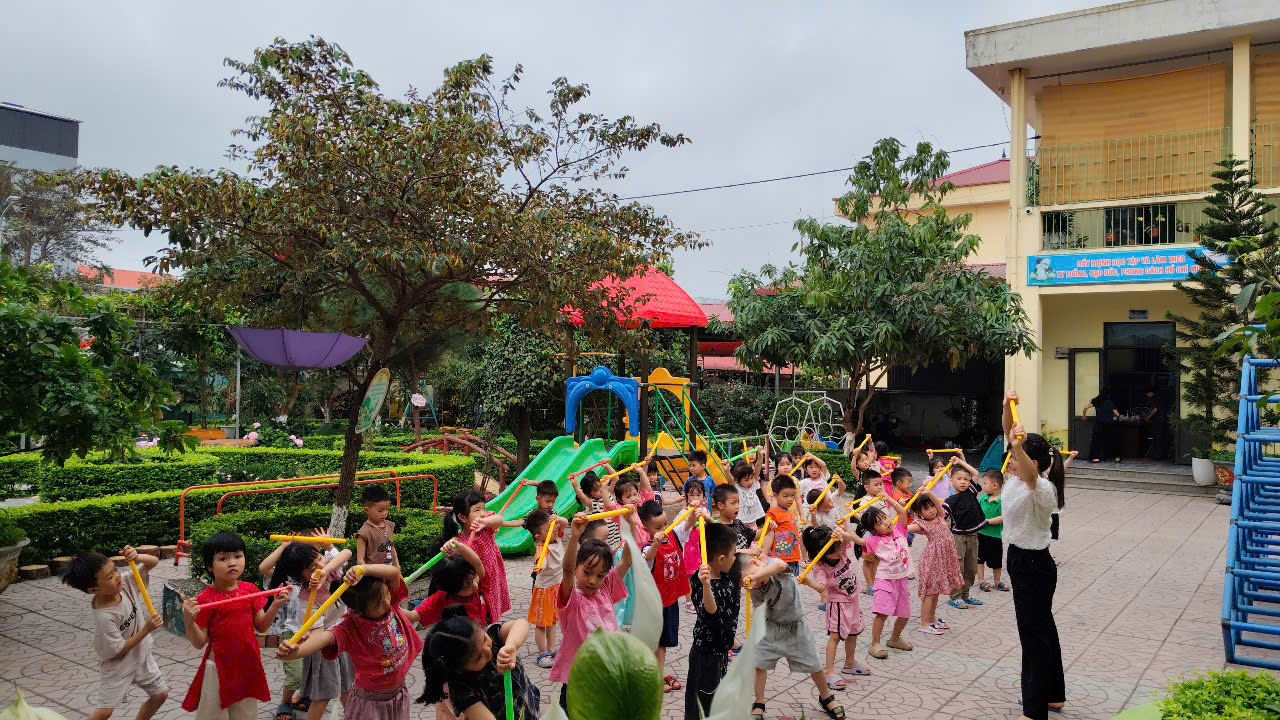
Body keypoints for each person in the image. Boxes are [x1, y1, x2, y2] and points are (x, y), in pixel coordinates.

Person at [276, 564, 422, 720]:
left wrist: (364, 569)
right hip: (370, 702)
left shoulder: (389, 603)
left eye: (387, 594)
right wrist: (297, 651)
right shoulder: (351, 626)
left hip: (398, 693)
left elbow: (393, 573)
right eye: (377, 604)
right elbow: (325, 638)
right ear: (360, 609)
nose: (386, 603)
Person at [1003, 391, 1068, 720]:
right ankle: (1054, 695)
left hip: (1033, 565)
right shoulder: (1016, 479)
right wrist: (1006, 407)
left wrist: (1019, 446)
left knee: (1033, 635)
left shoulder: (1041, 488)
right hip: (1021, 561)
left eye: (1016, 456)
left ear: (1035, 463)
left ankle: (1034, 709)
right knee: (1043, 630)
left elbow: (1028, 472)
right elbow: (1008, 433)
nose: (1011, 460)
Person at [181, 531, 288, 720]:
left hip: (247, 664)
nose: (232, 563)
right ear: (209, 566)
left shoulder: (249, 589)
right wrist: (189, 622)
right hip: (218, 668)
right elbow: (199, 642)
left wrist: (275, 605)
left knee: (245, 715)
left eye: (238, 556)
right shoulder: (206, 598)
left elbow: (261, 626)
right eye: (223, 558)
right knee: (214, 716)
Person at [63, 546, 168, 720]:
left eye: (115, 569)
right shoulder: (104, 616)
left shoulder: (124, 583)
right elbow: (119, 649)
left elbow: (153, 562)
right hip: (118, 665)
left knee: (160, 695)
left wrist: (137, 556)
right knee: (104, 712)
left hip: (140, 656)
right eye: (110, 577)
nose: (117, 576)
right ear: (93, 590)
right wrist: (146, 629)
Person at [262, 539, 354, 720]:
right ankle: (288, 702)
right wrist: (296, 652)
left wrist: (325, 570)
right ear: (300, 577)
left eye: (319, 558)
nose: (320, 565)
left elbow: (347, 553)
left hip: (344, 639)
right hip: (325, 647)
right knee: (323, 693)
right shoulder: (306, 600)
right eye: (312, 568)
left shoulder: (332, 572)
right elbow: (318, 634)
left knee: (348, 687)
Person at [745, 556, 846, 720]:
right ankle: (759, 701)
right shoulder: (755, 587)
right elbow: (759, 607)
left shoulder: (775, 567)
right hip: (771, 629)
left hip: (797, 628)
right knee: (759, 664)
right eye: (749, 582)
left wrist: (755, 576)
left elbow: (779, 565)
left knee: (814, 664)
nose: (754, 583)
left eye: (753, 577)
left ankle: (826, 697)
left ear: (755, 563)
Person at [551, 511, 633, 711]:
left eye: (600, 575)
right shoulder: (572, 599)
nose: (592, 580)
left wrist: (631, 525)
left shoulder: (605, 588)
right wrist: (574, 537)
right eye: (587, 572)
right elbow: (567, 569)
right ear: (577, 567)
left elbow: (626, 561)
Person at [417, 607, 540, 720]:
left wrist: (511, 645)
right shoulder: (461, 689)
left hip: (529, 709)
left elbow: (521, 624)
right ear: (460, 668)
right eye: (479, 656)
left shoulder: (494, 637)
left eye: (485, 638)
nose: (487, 649)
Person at [799, 525, 869, 691]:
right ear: (821, 553)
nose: (839, 552)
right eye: (833, 551)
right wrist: (808, 582)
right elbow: (821, 587)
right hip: (838, 605)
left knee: (853, 632)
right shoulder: (820, 566)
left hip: (853, 599)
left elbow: (849, 537)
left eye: (838, 547)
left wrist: (841, 533)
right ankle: (829, 672)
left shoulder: (840, 547)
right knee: (835, 637)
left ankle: (850, 663)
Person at [684, 523, 742, 720]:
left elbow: (724, 540)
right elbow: (711, 612)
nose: (736, 558)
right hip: (705, 655)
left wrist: (707, 517)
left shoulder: (727, 574)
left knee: (718, 698)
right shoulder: (700, 582)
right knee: (702, 702)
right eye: (733, 554)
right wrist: (707, 586)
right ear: (721, 559)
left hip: (721, 651)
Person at [443, 490, 522, 619]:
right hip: (478, 581)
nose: (483, 513)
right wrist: (451, 547)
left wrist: (485, 522)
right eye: (477, 510)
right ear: (462, 517)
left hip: (493, 574)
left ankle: (494, 622)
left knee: (495, 601)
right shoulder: (460, 541)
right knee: (483, 608)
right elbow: (453, 553)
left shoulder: (486, 525)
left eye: (483, 508)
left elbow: (499, 519)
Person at [638, 499, 686, 694]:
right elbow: (648, 557)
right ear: (645, 528)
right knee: (656, 642)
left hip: (670, 601)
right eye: (658, 527)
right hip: (654, 604)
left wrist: (694, 509)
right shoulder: (648, 547)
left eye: (665, 524)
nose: (663, 529)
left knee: (663, 642)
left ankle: (658, 672)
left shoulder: (672, 536)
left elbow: (687, 524)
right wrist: (656, 544)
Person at [859, 498, 914, 660]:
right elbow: (859, 540)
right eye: (880, 523)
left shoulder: (900, 530)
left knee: (905, 614)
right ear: (874, 530)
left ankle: (895, 638)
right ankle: (875, 643)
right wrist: (844, 532)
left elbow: (902, 511)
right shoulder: (875, 541)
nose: (886, 522)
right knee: (882, 613)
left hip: (901, 580)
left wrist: (888, 498)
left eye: (885, 517)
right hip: (885, 581)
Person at [909, 493, 962, 635]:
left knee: (936, 591)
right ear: (919, 513)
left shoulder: (940, 516)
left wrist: (928, 492)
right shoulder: (922, 524)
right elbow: (906, 528)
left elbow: (938, 504)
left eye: (932, 506)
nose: (932, 510)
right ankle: (924, 623)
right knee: (929, 593)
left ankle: (931, 618)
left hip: (942, 561)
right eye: (926, 509)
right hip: (931, 561)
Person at [525, 509, 568, 668]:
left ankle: (551, 650)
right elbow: (541, 560)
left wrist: (557, 519)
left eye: (553, 525)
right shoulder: (542, 547)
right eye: (549, 528)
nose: (554, 529)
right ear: (538, 536)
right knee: (541, 624)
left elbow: (565, 523)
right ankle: (542, 652)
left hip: (556, 587)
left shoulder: (557, 538)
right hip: (544, 591)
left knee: (552, 622)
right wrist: (540, 567)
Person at [415, 539, 491, 626]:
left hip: (482, 629)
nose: (475, 586)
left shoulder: (477, 583)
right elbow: (413, 615)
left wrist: (460, 547)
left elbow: (477, 563)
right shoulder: (442, 598)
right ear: (451, 589)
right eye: (466, 588)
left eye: (474, 577)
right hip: (465, 635)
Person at [943, 461, 987, 611]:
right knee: (958, 568)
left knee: (971, 568)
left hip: (973, 537)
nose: (963, 482)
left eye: (966, 479)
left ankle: (965, 595)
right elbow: (941, 517)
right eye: (959, 478)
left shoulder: (971, 492)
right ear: (951, 481)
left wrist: (960, 461)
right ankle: (955, 597)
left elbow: (975, 473)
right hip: (958, 538)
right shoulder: (949, 501)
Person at [761, 475, 803, 574]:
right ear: (775, 496)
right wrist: (764, 554)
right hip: (780, 559)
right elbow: (769, 534)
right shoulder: (772, 513)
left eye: (792, 495)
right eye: (785, 496)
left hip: (794, 557)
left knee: (794, 582)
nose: (790, 499)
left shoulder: (790, 513)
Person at [976, 470, 1008, 592]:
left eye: (985, 483)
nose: (983, 486)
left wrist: (988, 521)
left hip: (995, 536)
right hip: (980, 534)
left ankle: (997, 582)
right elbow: (977, 513)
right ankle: (981, 581)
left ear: (994, 485)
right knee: (980, 559)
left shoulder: (1003, 501)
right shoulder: (983, 498)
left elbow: (1003, 517)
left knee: (997, 561)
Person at [357, 485, 400, 571]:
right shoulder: (364, 532)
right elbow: (360, 561)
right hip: (374, 575)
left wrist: (398, 570)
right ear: (366, 510)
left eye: (387, 509)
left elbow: (392, 549)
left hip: (390, 572)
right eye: (380, 510)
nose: (385, 513)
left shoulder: (388, 525)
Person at [1081, 389, 1120, 463]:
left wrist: (1084, 416)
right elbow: (1117, 414)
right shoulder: (1110, 402)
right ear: (1108, 395)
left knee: (1096, 441)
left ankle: (1096, 458)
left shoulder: (1096, 401)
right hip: (1109, 424)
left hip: (1099, 424)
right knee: (1112, 440)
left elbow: (1085, 407)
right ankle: (1116, 457)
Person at [733, 456, 770, 530]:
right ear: (738, 480)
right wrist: (726, 471)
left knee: (755, 535)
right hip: (741, 523)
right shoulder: (737, 488)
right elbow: (730, 480)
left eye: (751, 478)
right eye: (746, 480)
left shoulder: (753, 485)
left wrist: (760, 456)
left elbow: (757, 468)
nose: (750, 481)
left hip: (753, 522)